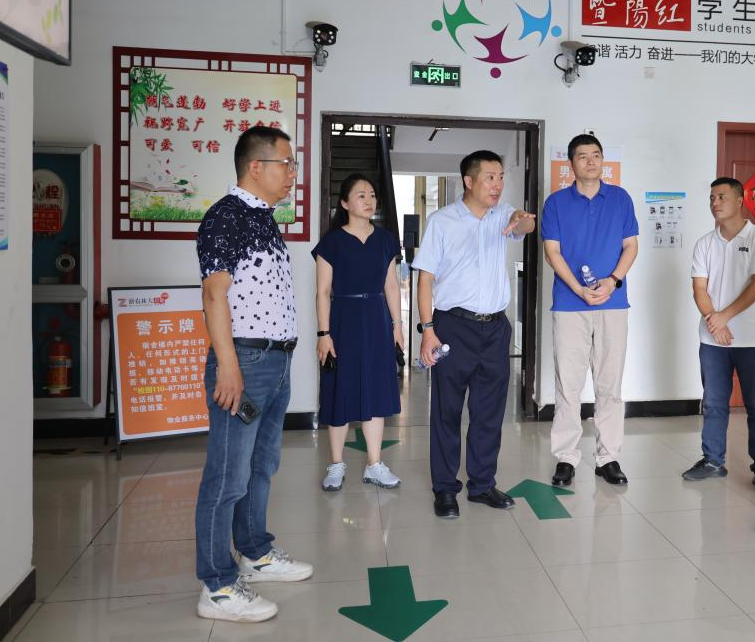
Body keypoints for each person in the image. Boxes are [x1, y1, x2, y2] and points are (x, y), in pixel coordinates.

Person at [194, 126, 313, 623]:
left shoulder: (262, 217)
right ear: (256, 167)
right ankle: (217, 587)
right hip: (244, 362)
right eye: (287, 164)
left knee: (261, 465)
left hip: (275, 362)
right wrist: (228, 365)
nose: (293, 174)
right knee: (227, 476)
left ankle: (255, 553)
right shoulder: (226, 216)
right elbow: (214, 294)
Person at [413, 150, 536, 518]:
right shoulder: (442, 221)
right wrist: (428, 331)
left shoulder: (503, 214)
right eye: (489, 178)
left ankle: (482, 484)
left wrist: (522, 220)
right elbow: (425, 280)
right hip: (453, 325)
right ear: (469, 181)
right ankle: (445, 488)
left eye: (500, 177)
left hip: (495, 328)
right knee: (447, 411)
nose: (497, 185)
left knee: (489, 412)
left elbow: (524, 225)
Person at [542, 134, 638, 487]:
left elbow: (631, 246)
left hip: (613, 304)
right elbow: (552, 252)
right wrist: (579, 289)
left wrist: (612, 281)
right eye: (583, 156)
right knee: (568, 385)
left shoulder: (620, 198)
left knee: (609, 384)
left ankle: (607, 457)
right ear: (572, 164)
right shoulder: (556, 203)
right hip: (570, 305)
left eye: (596, 155)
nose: (591, 161)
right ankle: (566, 457)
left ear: (603, 160)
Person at [682, 177, 755, 494]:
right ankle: (712, 461)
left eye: (722, 196)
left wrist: (724, 317)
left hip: (751, 340)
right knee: (713, 403)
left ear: (740, 200)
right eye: (712, 197)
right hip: (712, 340)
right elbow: (699, 288)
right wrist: (715, 322)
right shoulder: (704, 243)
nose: (715, 202)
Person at [313, 173, 404, 492]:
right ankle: (336, 464)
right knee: (340, 390)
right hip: (343, 321)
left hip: (377, 320)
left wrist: (397, 326)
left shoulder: (386, 240)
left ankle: (374, 465)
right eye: (361, 195)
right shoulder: (331, 242)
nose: (369, 200)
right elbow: (323, 291)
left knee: (375, 391)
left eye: (372, 195)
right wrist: (324, 333)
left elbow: (391, 286)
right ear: (344, 203)